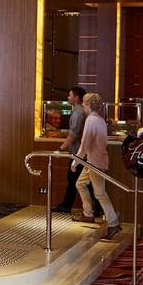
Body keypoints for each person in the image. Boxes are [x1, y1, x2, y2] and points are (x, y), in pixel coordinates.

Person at [74, 92, 121, 240]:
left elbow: (85, 143)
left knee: (100, 193)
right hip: (95, 161)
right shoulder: (99, 119)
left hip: (95, 162)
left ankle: (113, 224)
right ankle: (88, 213)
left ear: (88, 104)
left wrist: (76, 161)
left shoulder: (91, 120)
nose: (82, 105)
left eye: (84, 103)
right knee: (80, 184)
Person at [54, 86, 89, 214]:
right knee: (79, 181)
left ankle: (67, 206)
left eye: (70, 95)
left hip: (78, 153)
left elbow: (73, 135)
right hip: (80, 153)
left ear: (77, 98)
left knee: (74, 179)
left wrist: (61, 148)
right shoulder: (79, 112)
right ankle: (92, 209)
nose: (68, 97)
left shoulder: (78, 113)